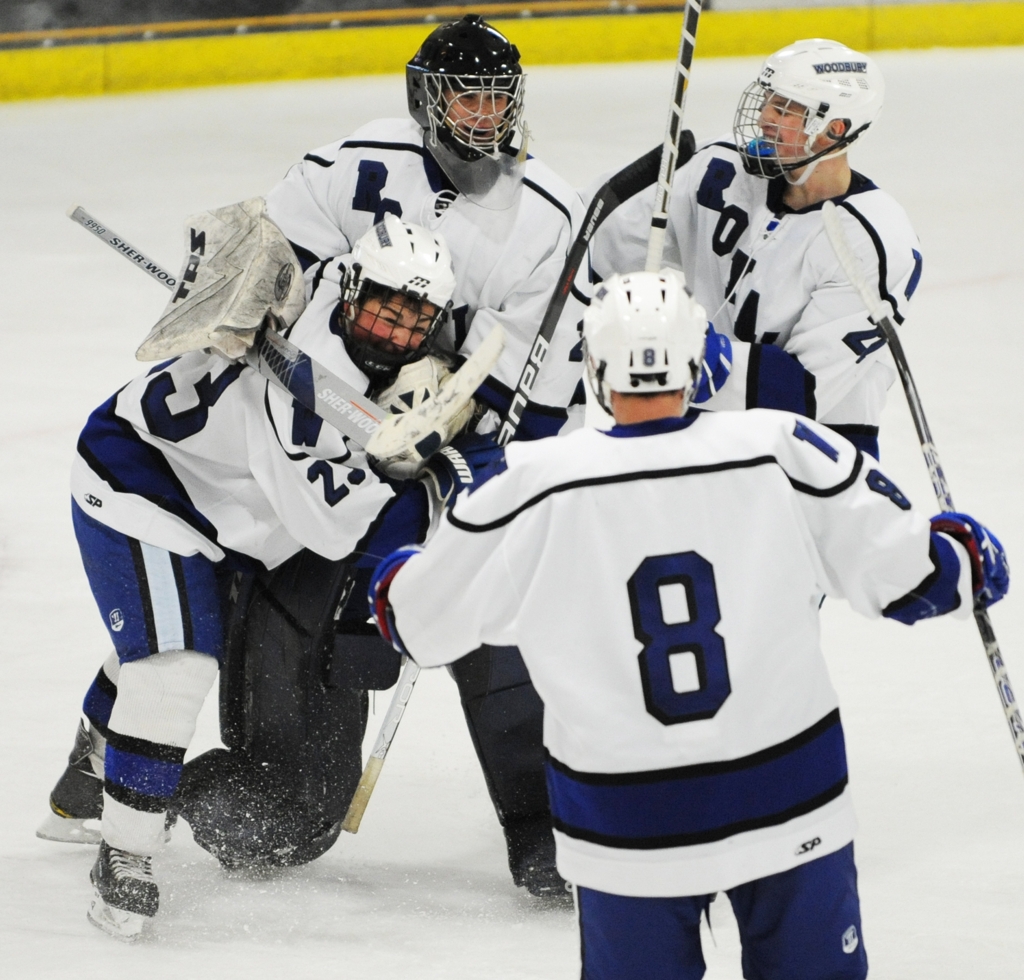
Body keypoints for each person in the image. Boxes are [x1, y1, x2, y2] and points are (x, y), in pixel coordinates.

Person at [367, 270, 1009, 979]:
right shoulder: (784, 446)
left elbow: (417, 626)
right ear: (698, 364)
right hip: (790, 798)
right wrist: (964, 553)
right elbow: (919, 581)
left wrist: (398, 565)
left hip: (627, 824)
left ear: (595, 367)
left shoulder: (529, 483)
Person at [38, 214, 498, 942]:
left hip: (222, 502)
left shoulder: (319, 309)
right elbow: (333, 530)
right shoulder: (299, 402)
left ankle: (87, 773)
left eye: (416, 313)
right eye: (384, 299)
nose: (395, 322)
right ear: (350, 290)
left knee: (177, 633)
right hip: (140, 485)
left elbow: (248, 235)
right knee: (177, 663)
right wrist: (417, 473)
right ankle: (126, 853)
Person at [264, 13, 590, 897]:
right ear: (423, 96)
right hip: (322, 437)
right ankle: (142, 749)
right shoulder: (346, 165)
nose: (484, 115)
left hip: (458, 445)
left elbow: (539, 386)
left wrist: (457, 437)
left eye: (497, 96)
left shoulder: (548, 215)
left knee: (497, 624)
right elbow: (270, 278)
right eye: (465, 94)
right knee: (248, 579)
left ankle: (539, 830)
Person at [589, 38, 922, 460]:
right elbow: (597, 244)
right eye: (768, 100)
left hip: (815, 455)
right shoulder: (722, 168)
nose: (765, 118)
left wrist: (683, 345)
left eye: (785, 109)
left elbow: (801, 391)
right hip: (699, 430)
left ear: (834, 129)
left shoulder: (874, 239)